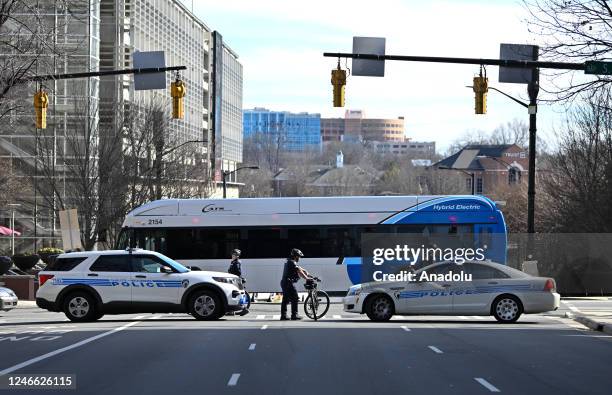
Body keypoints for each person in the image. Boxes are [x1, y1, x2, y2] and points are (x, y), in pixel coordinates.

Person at [280, 248, 312, 320]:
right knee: (295, 298)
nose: (299, 258)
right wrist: (306, 278)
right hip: (288, 283)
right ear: (296, 256)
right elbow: (299, 271)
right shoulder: (292, 262)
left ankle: (283, 315)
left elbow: (299, 269)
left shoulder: (290, 261)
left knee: (285, 299)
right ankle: (294, 315)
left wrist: (307, 273)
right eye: (299, 256)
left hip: (284, 283)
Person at [228, 249, 249, 316]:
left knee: (237, 295)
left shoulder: (236, 263)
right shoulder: (233, 262)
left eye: (234, 255)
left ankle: (244, 309)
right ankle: (232, 311)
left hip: (236, 281)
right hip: (234, 280)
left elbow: (238, 272)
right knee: (233, 295)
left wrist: (233, 276)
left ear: (237, 256)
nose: (232, 256)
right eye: (232, 254)